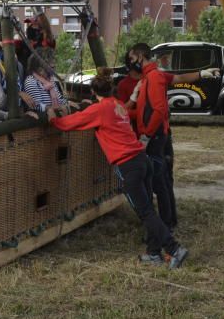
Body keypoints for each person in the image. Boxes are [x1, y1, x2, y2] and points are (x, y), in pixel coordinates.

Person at [48, 69, 189, 269]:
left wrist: (52, 117)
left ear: (92, 93)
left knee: (145, 212)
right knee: (149, 208)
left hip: (128, 165)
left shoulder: (99, 110)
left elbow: (68, 124)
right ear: (111, 89)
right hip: (142, 159)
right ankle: (154, 253)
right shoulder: (118, 105)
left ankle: (174, 249)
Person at [126, 42, 220, 231]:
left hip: (155, 136)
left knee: (159, 181)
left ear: (140, 57)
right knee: (164, 179)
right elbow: (178, 77)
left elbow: (159, 110)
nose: (130, 62)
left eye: (131, 58)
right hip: (161, 133)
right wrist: (201, 74)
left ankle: (166, 224)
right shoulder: (154, 75)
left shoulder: (153, 78)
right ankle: (170, 220)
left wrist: (146, 135)